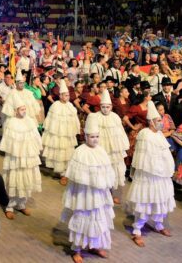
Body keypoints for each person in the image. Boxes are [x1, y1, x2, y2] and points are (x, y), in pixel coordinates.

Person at [61, 114, 115, 263]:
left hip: (98, 194)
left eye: (97, 136)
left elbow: (107, 172)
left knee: (98, 218)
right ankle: (77, 248)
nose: (95, 139)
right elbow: (76, 176)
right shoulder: (80, 152)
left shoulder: (101, 151)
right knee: (83, 218)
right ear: (85, 137)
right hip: (84, 195)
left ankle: (95, 245)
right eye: (92, 137)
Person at [125, 105, 176, 247]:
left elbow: (164, 153)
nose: (161, 122)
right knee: (145, 200)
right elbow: (144, 157)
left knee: (161, 199)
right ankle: (137, 229)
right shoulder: (144, 134)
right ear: (151, 122)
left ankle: (159, 224)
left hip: (161, 174)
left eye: (161, 120)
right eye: (158, 120)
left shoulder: (159, 134)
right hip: (148, 175)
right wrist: (155, 168)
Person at [0, 103, 42, 219]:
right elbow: (8, 143)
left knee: (26, 179)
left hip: (28, 157)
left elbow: (35, 138)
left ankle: (21, 204)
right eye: (21, 109)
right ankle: (10, 206)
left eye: (25, 109)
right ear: (16, 110)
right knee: (15, 179)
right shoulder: (11, 122)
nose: (24, 111)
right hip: (16, 158)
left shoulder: (30, 121)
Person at [87, 90, 129, 202]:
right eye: (103, 107)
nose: (105, 109)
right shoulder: (95, 117)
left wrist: (122, 146)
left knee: (112, 169)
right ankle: (99, 193)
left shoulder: (115, 117)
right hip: (101, 147)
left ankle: (110, 193)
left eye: (107, 107)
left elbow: (120, 132)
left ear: (111, 107)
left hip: (113, 148)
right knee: (100, 169)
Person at [42, 89, 80, 185]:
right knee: (58, 152)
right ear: (60, 96)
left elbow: (75, 120)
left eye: (68, 95)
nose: (67, 97)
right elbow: (50, 120)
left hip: (67, 134)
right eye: (65, 95)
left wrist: (74, 130)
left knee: (67, 152)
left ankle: (65, 173)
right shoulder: (55, 106)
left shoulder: (70, 106)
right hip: (58, 134)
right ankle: (61, 172)